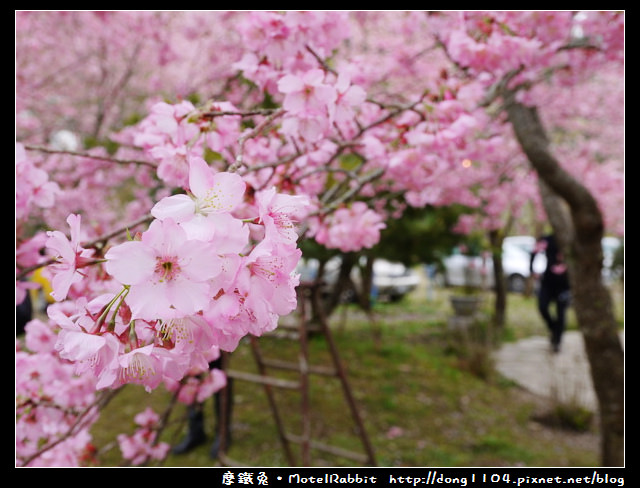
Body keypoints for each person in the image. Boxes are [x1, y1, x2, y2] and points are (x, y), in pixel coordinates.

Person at [530, 234, 571, 353]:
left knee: (561, 313)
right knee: (542, 307)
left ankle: (557, 341)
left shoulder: (572, 239)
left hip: (564, 285)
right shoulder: (548, 239)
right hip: (547, 282)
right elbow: (534, 252)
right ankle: (554, 328)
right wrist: (532, 270)